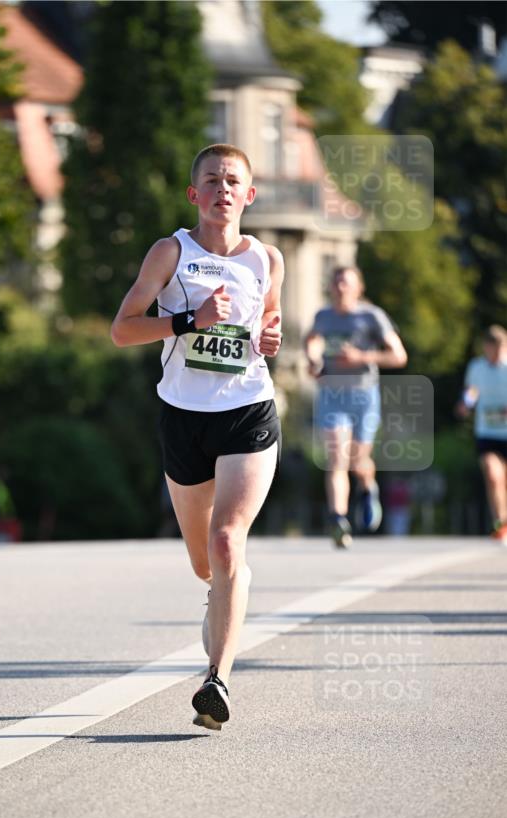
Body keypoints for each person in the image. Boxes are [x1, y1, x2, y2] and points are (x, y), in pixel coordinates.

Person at [111, 144, 284, 731]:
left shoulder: (266, 259)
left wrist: (269, 337)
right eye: (211, 180)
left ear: (249, 195)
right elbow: (122, 330)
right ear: (194, 195)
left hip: (248, 410)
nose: (223, 189)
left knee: (228, 541)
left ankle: (217, 680)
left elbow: (268, 321)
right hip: (183, 415)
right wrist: (189, 321)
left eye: (233, 181)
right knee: (203, 562)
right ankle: (218, 597)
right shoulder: (171, 251)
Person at [304, 266, 407, 548]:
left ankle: (366, 487)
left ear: (358, 288)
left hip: (363, 395)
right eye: (336, 282)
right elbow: (312, 340)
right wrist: (314, 362)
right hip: (331, 394)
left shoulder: (371, 316)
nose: (340, 288)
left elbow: (398, 356)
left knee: (358, 461)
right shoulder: (323, 316)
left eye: (346, 283)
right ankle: (338, 519)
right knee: (337, 456)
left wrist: (362, 356)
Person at [455, 324, 507, 542]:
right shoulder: (477, 367)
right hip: (487, 432)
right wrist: (466, 404)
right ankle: (501, 523)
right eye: (491, 347)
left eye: (499, 347)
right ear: (485, 347)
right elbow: (472, 391)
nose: (494, 351)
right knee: (494, 476)